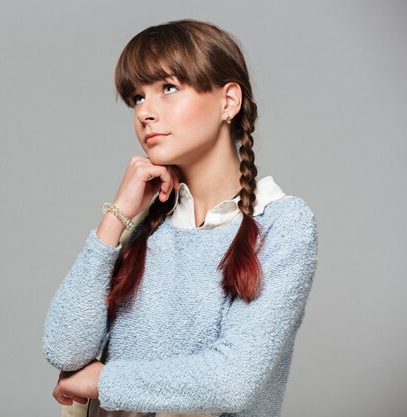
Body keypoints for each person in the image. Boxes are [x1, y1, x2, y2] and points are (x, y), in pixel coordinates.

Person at [42, 19, 318, 417]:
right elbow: (64, 348)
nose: (145, 113)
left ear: (229, 101)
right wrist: (117, 216)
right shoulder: (148, 226)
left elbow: (231, 380)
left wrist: (104, 381)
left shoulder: (281, 224)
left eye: (168, 88)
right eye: (137, 97)